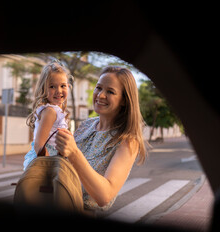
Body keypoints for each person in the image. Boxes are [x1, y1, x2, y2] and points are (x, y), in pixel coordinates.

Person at [55, 66, 147, 212]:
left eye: (110, 91)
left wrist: (74, 153)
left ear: (124, 100)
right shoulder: (86, 125)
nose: (101, 95)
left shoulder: (128, 140)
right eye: (98, 88)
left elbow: (104, 196)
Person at [23, 60, 73, 170]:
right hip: (46, 163)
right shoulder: (50, 111)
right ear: (43, 88)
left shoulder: (56, 110)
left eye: (63, 86)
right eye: (52, 86)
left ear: (68, 86)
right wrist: (49, 169)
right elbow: (39, 145)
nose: (58, 91)